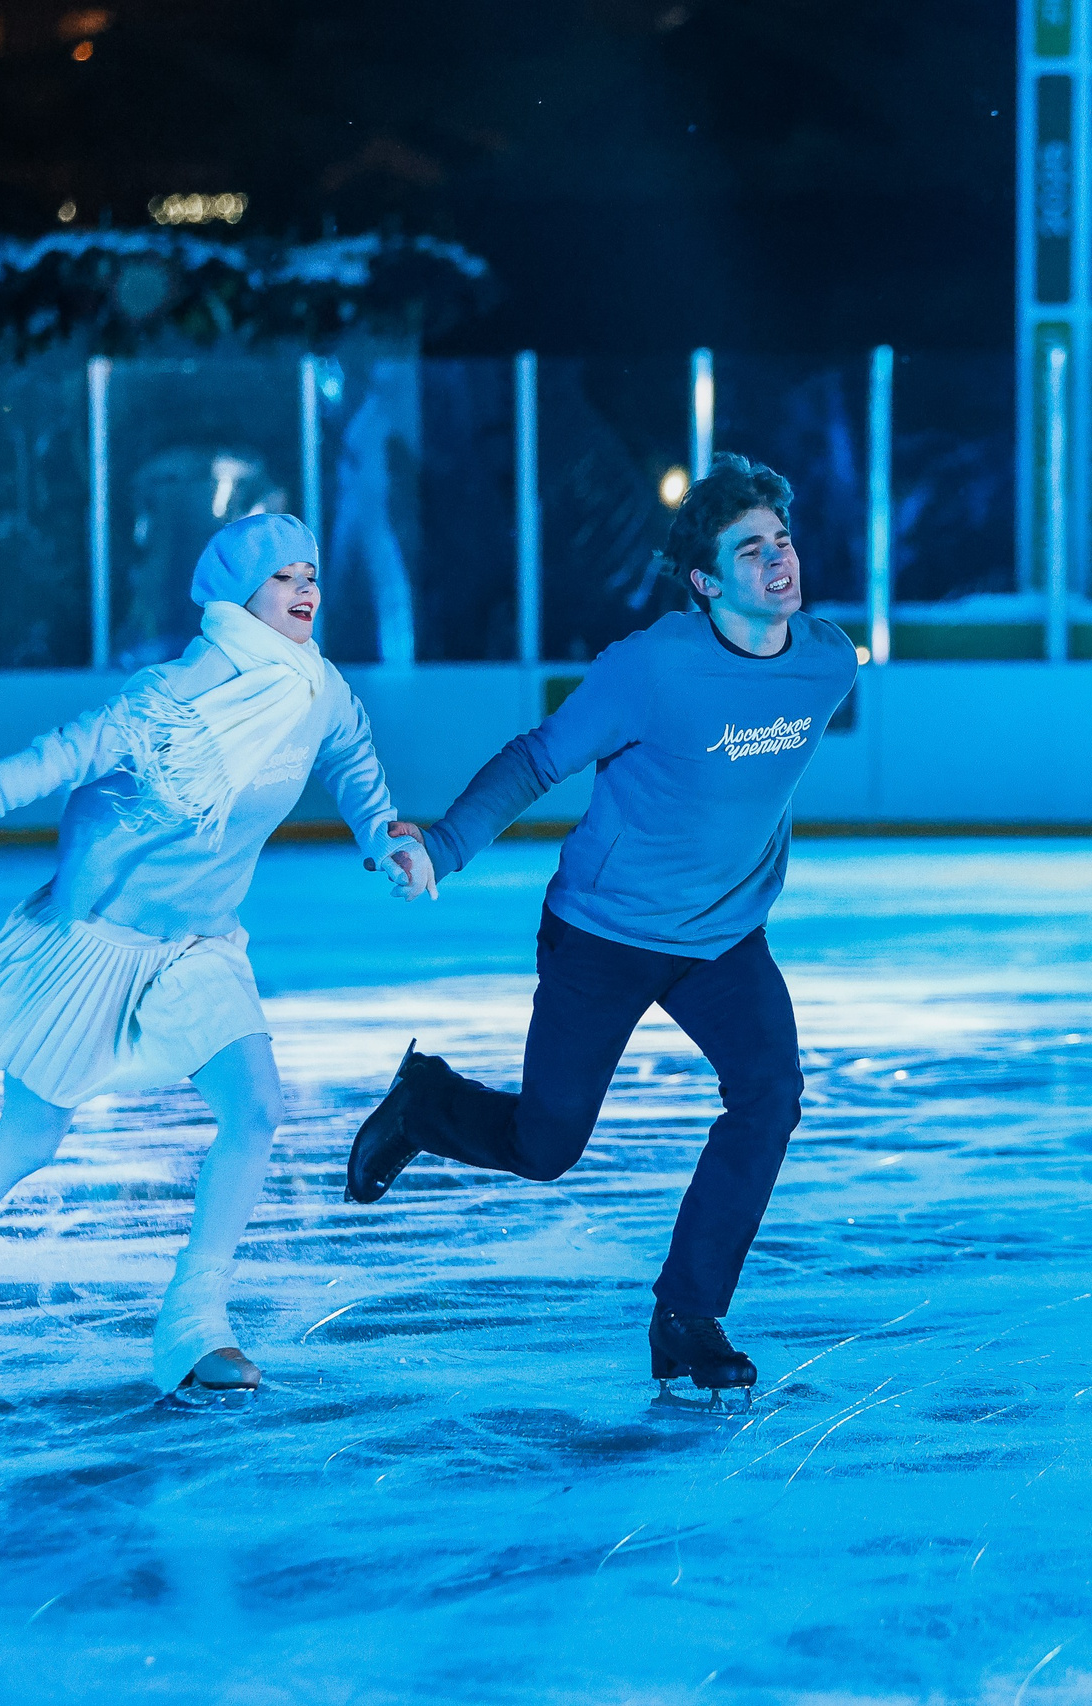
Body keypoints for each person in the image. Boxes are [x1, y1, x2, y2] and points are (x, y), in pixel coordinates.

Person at [0, 513, 435, 1405]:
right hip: (98, 942)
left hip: (200, 944)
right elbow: (44, 765)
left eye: (310, 573)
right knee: (31, 1134)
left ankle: (195, 1323)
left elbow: (351, 761)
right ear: (239, 594)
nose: (306, 589)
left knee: (256, 1110)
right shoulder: (168, 698)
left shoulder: (318, 688)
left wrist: (384, 836)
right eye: (283, 577)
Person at [345, 453, 857, 1403]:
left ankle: (687, 1316)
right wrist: (443, 849)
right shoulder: (651, 668)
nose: (779, 559)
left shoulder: (826, 662)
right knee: (547, 1148)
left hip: (723, 939)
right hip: (603, 934)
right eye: (750, 550)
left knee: (770, 1094)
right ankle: (424, 1105)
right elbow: (537, 758)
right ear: (706, 583)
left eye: (782, 540)